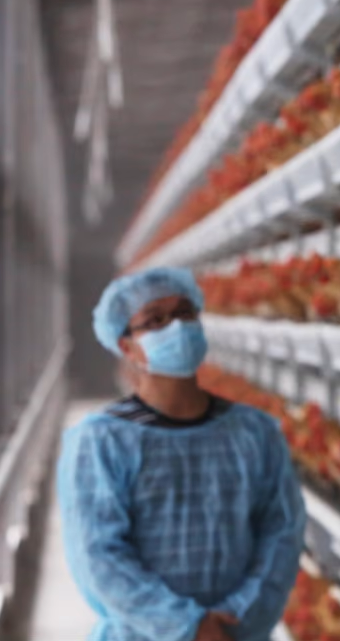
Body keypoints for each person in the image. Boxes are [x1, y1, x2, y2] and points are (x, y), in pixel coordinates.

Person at [58, 267, 306, 641]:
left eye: (184, 313)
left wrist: (238, 618)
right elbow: (98, 557)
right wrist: (188, 627)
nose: (176, 327)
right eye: (155, 320)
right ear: (127, 347)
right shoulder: (101, 442)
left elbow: (281, 535)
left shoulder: (256, 433)